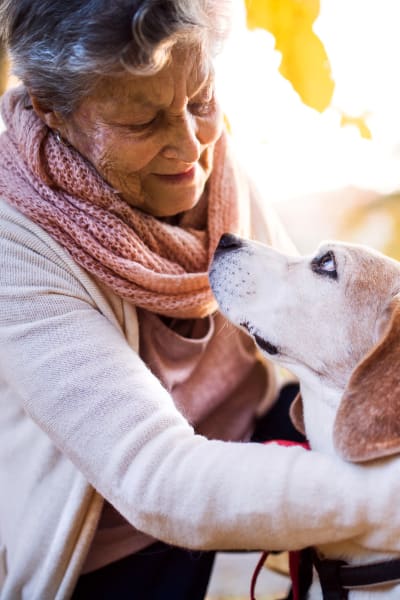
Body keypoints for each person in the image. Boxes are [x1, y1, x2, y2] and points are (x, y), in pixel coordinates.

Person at [0, 1, 400, 599]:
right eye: (143, 122)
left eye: (202, 99)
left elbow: (309, 335)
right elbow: (155, 478)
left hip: (265, 441)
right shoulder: (16, 244)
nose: (190, 147)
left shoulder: (210, 162)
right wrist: (389, 498)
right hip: (123, 553)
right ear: (52, 112)